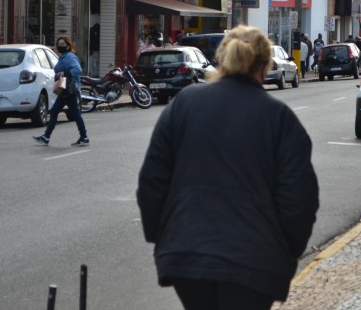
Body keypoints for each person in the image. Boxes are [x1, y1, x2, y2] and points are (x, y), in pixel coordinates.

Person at [137, 25, 319, 310]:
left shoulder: (184, 103)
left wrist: (162, 235)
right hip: (256, 261)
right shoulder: (279, 118)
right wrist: (287, 251)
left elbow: (152, 182)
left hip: (188, 254)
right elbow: (300, 199)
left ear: (221, 59)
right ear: (266, 64)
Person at [33, 36, 89, 147]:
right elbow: (58, 73)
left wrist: (65, 73)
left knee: (73, 114)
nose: (60, 46)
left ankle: (84, 137)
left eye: (63, 44)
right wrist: (58, 75)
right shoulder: (62, 58)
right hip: (64, 90)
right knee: (56, 112)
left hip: (70, 90)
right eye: (59, 44)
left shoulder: (70, 57)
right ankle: (46, 137)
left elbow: (78, 70)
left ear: (68, 46)